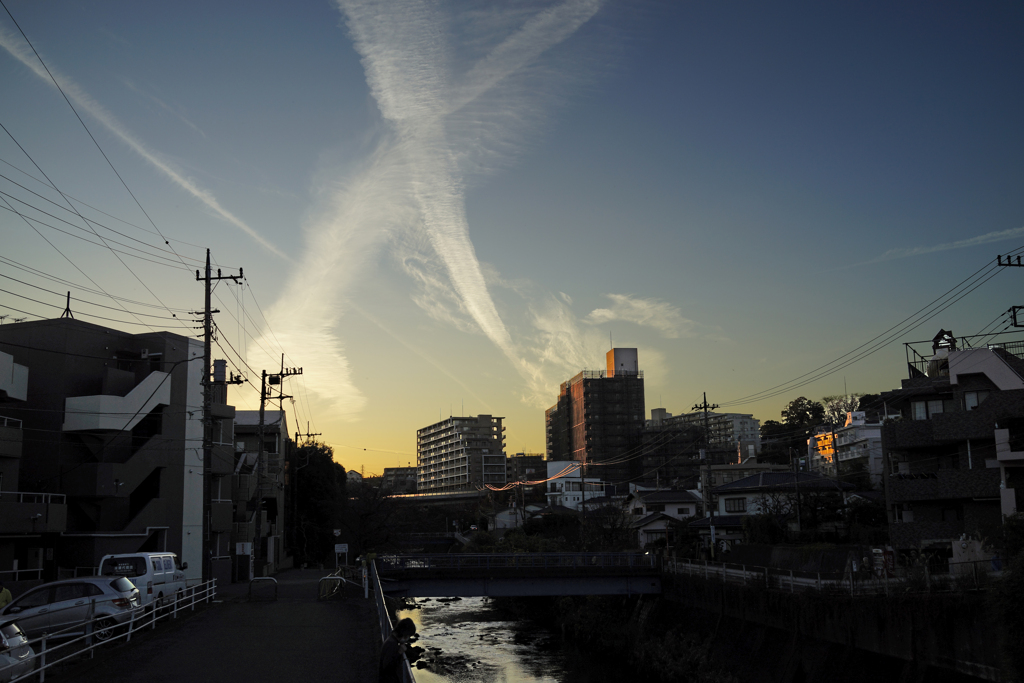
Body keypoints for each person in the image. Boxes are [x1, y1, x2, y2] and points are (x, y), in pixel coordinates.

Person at [379, 618, 416, 683]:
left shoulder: (392, 640)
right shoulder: (392, 644)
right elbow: (387, 666)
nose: (408, 638)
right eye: (408, 636)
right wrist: (399, 652)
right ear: (404, 633)